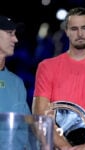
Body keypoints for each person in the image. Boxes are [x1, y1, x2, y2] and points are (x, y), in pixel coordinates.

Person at [32, 7, 85, 150]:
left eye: (84, 28)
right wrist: (66, 147)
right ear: (66, 31)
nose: (80, 33)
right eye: (74, 29)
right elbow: (40, 117)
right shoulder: (47, 67)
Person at [0, 15, 31, 150]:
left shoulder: (17, 83)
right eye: (9, 33)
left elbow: (27, 133)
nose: (16, 39)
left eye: (15, 34)